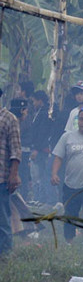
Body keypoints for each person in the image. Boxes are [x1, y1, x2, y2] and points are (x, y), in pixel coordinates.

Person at [51, 104, 83, 247]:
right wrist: (54, 173)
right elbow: (58, 157)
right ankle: (69, 241)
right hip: (70, 183)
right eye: (81, 119)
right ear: (77, 120)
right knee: (70, 214)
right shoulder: (67, 136)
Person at [0, 88, 23, 256]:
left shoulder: (9, 118)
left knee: (2, 218)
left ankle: (5, 255)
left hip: (1, 177)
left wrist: (14, 174)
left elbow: (15, 150)